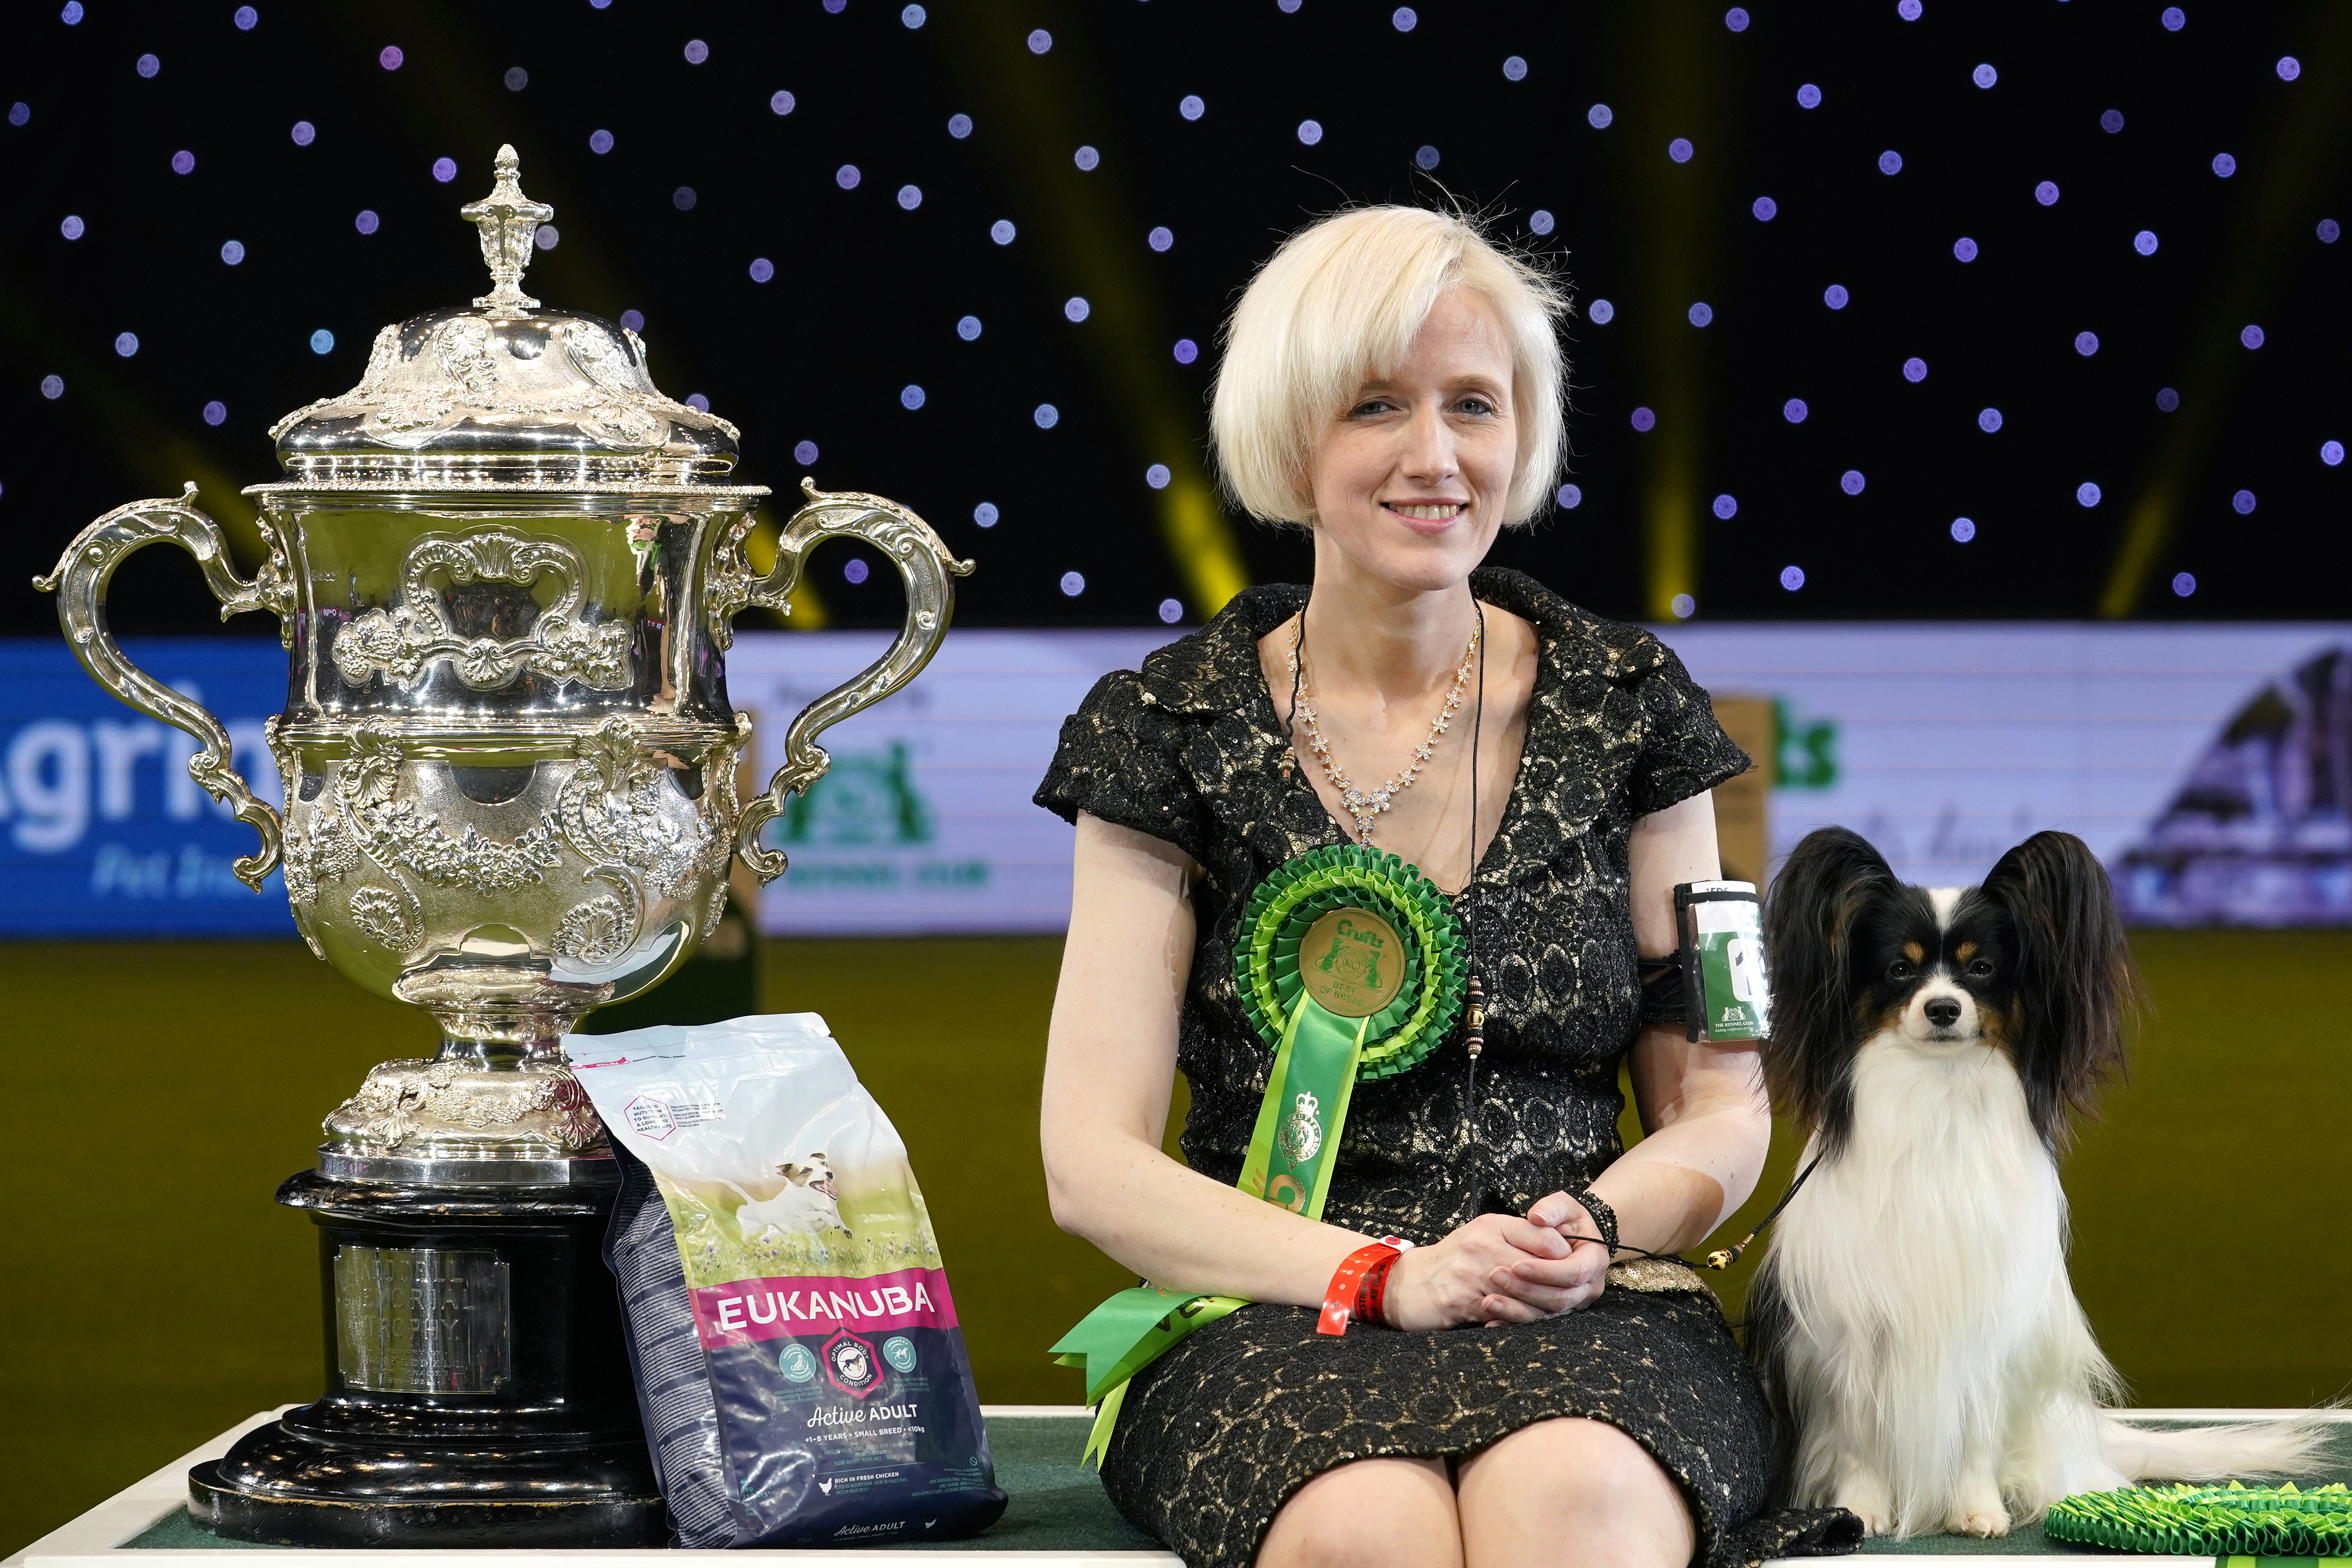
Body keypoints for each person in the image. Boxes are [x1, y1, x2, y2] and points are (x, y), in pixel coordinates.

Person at [1033, 207, 1857, 1568]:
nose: (1434, 455)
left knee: (1577, 1508)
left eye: (1472, 404)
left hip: (1584, 1308)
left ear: (1521, 435)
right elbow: (1090, 1164)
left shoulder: (1633, 706)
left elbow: (1721, 1105)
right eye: (1376, 406)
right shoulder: (1163, 728)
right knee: (1365, 1532)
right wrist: (1383, 1277)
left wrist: (1596, 1226)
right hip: (1273, 1307)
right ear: (1289, 437)